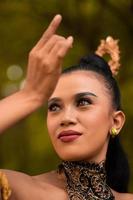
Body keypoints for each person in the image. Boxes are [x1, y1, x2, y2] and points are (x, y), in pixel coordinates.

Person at [0, 14, 133, 200]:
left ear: (116, 121)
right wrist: (29, 96)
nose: (66, 118)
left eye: (83, 102)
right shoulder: (20, 190)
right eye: (54, 107)